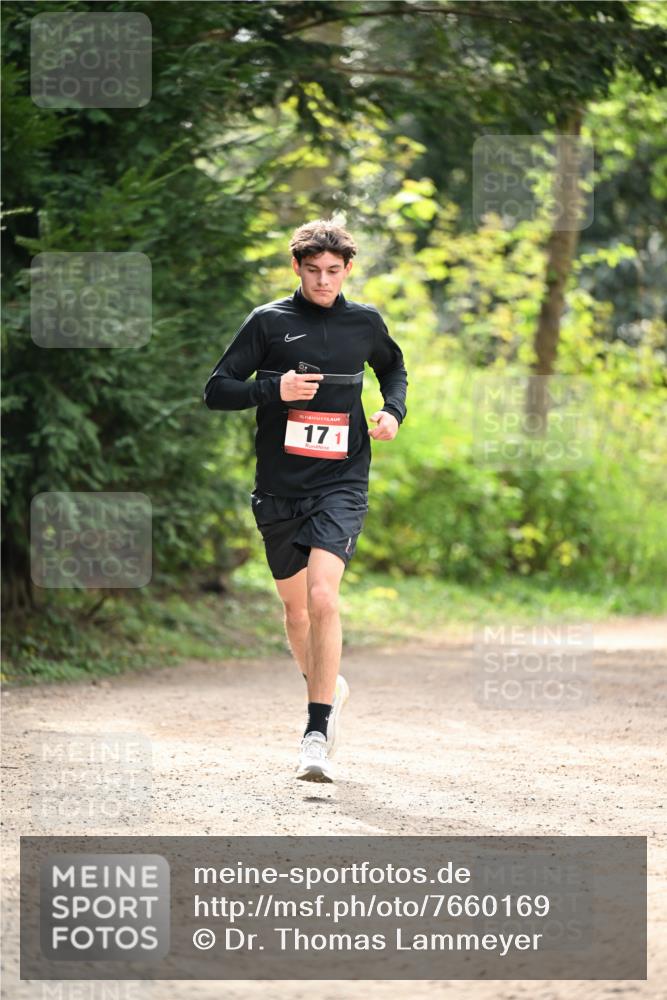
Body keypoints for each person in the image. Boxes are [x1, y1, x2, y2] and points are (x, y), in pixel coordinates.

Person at [203, 219, 408, 782]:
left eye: (334, 272)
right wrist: (274, 388)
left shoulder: (364, 321)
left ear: (347, 270)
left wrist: (392, 411)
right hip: (278, 488)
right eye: (313, 271)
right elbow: (216, 389)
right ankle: (329, 687)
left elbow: (393, 368)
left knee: (323, 597)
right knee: (296, 613)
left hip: (341, 481)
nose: (323, 281)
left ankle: (315, 732)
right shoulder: (269, 322)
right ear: (297, 267)